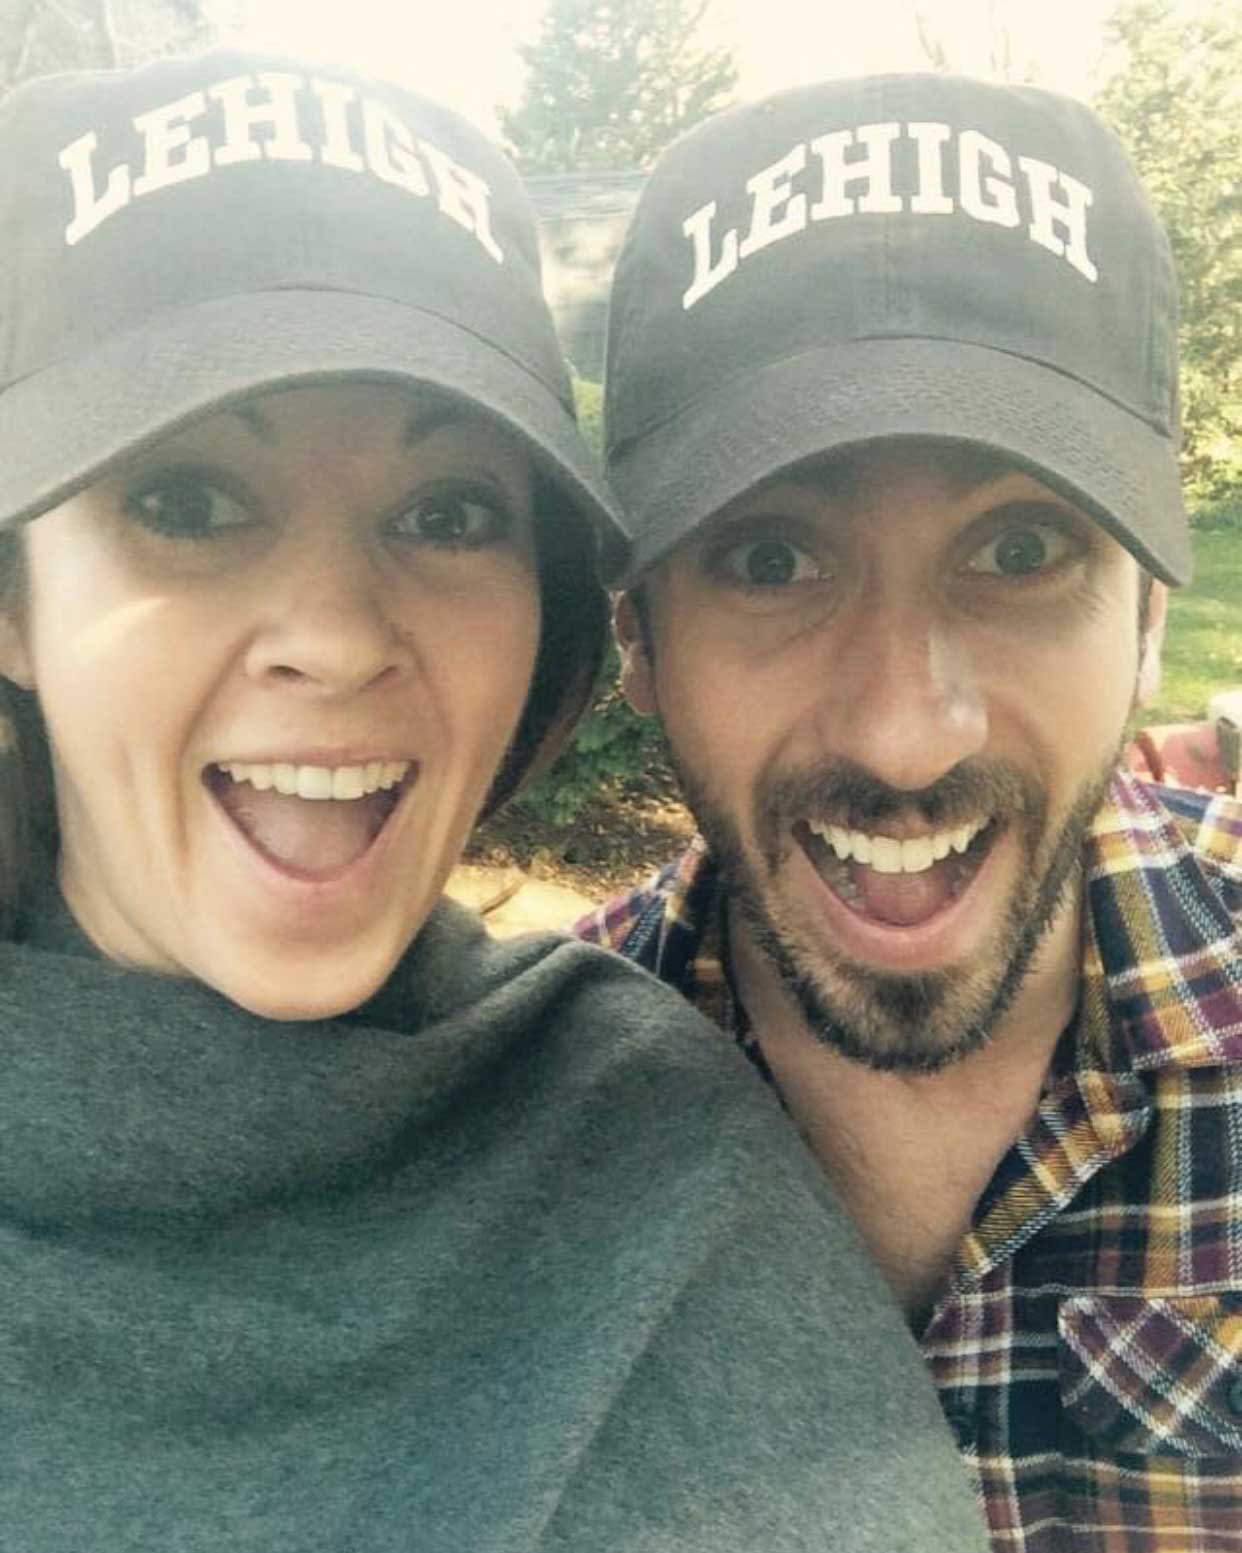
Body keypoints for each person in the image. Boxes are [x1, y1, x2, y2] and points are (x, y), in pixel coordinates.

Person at [0, 51, 990, 1552]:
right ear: (15, 598)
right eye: (191, 502)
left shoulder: (632, 1149)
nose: (332, 631)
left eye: (447, 511)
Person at [578, 73, 1242, 1550]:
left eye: (1016, 547)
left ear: (1145, 615)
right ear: (635, 633)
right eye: (768, 560)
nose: (902, 728)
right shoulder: (507, 1145)